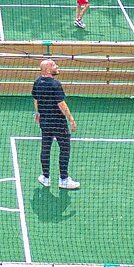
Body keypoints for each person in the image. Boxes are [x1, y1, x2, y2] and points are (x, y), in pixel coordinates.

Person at [32, 59, 79, 189]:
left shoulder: (37, 82)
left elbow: (36, 99)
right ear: (48, 70)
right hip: (58, 123)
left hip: (45, 122)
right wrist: (71, 119)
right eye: (53, 65)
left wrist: (38, 113)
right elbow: (61, 104)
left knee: (45, 148)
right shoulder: (55, 84)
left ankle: (45, 177)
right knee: (65, 149)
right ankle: (63, 179)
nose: (56, 66)